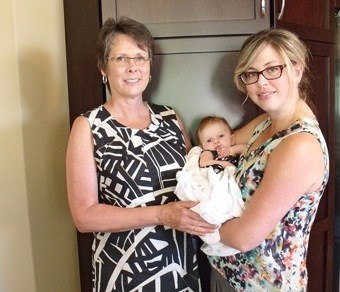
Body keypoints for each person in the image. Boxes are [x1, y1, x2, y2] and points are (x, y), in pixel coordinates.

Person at [66, 16, 215, 292]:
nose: (133, 67)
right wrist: (161, 214)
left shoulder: (170, 117)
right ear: (103, 68)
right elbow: (84, 217)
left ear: (149, 66)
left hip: (181, 262)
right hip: (126, 270)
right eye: (121, 58)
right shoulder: (88, 126)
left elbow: (196, 176)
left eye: (140, 58)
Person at [208, 28, 329, 292]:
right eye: (252, 73)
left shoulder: (299, 145)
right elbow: (220, 145)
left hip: (263, 286)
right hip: (227, 273)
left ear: (296, 71)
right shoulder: (267, 122)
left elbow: (244, 237)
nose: (261, 82)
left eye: (273, 69)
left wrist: (199, 214)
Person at [175, 116, 246, 256]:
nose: (216, 142)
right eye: (209, 140)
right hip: (215, 177)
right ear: (202, 146)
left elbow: (248, 149)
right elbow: (204, 164)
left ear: (231, 138)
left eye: (221, 136)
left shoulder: (232, 149)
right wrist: (227, 165)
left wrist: (231, 150)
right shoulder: (208, 153)